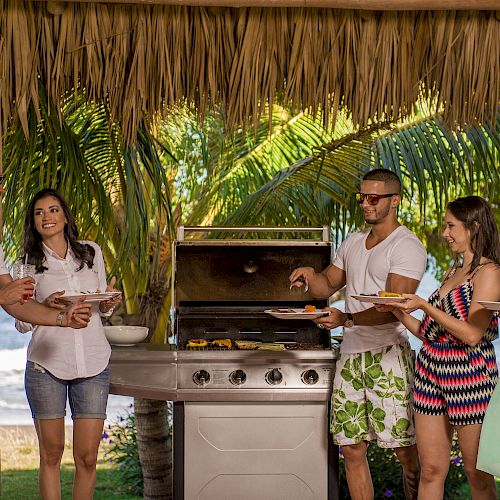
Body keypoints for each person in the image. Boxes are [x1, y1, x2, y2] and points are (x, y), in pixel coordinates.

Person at [289, 169, 427, 500]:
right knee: (351, 449)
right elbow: (328, 283)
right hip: (351, 357)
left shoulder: (407, 246)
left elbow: (393, 306)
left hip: (388, 357)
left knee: (406, 454)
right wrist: (310, 276)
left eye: (374, 198)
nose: (366, 203)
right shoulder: (352, 241)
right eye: (362, 197)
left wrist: (347, 318)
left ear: (395, 201)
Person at [379, 196, 499, 499]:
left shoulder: (489, 272)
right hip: (431, 368)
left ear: (473, 227)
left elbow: (472, 334)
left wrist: (423, 304)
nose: (444, 233)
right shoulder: (452, 270)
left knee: (477, 473)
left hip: (469, 373)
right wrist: (396, 310)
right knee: (431, 470)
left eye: (450, 226)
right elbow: (429, 334)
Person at [17, 188, 122, 500]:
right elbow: (22, 322)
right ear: (33, 222)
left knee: (88, 458)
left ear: (64, 216)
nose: (47, 217)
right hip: (46, 366)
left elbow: (101, 307)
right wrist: (46, 306)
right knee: (51, 456)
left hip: (93, 363)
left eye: (53, 210)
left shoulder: (92, 252)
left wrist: (109, 302)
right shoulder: (25, 265)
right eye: (39, 212)